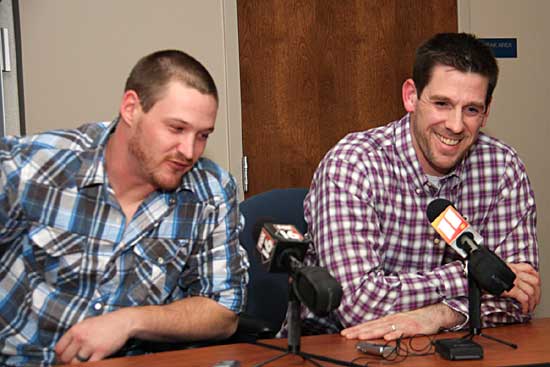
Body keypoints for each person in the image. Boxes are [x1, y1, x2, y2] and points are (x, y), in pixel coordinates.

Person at [0, 50, 249, 366]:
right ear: (131, 108)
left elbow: (223, 312)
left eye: (202, 136)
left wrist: (130, 320)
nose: (189, 151)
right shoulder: (28, 168)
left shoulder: (212, 191)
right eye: (176, 129)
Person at [302, 33, 540, 340]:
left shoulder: (503, 167)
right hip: (339, 349)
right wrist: (475, 274)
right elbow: (359, 305)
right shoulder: (353, 164)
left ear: (487, 110)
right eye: (442, 103)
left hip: (455, 349)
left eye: (471, 109)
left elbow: (520, 300)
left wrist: (438, 315)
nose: (455, 125)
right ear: (411, 96)